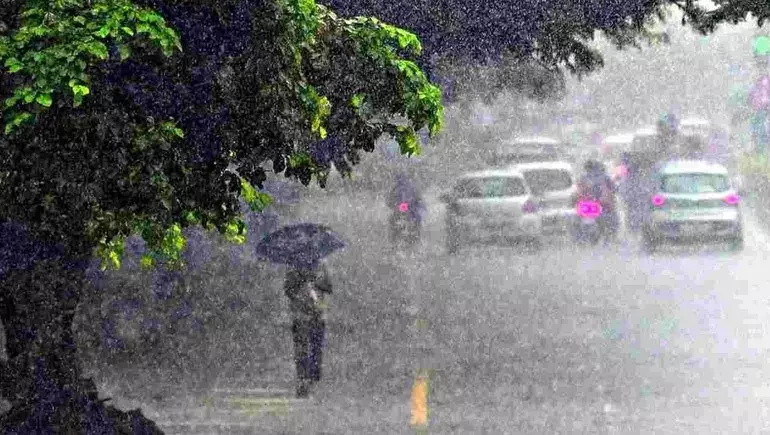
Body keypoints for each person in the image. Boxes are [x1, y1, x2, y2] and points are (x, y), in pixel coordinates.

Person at [284, 261, 333, 398]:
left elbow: (329, 287)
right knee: (301, 349)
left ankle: (311, 378)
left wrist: (316, 283)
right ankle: (302, 379)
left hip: (318, 314)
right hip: (300, 315)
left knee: (315, 348)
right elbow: (288, 290)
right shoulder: (293, 266)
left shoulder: (321, 265)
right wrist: (300, 280)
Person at [577, 159, 619, 240]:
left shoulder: (583, 178)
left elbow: (579, 192)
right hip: (604, 205)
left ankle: (588, 236)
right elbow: (614, 188)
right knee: (611, 221)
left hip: (589, 205)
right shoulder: (605, 177)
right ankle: (609, 236)